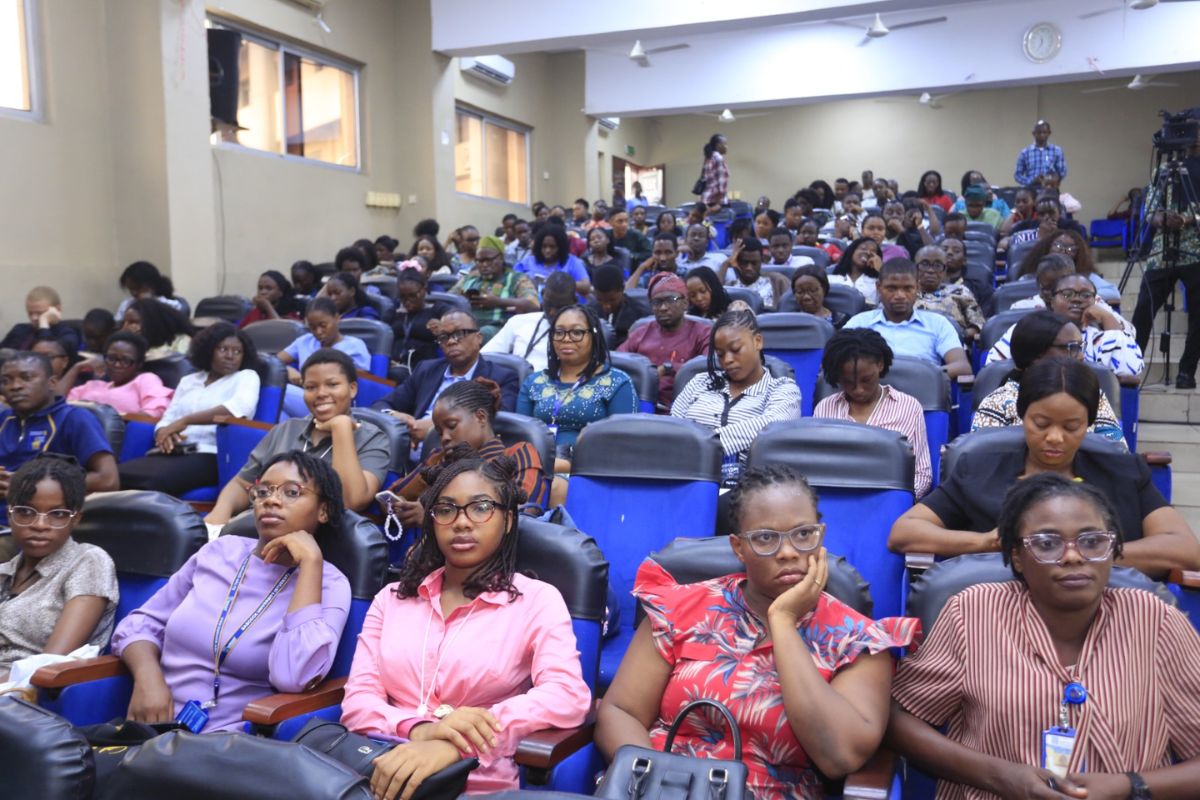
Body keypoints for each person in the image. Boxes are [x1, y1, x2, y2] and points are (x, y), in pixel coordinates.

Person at [596, 465, 918, 800]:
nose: (788, 551)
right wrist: (660, 784)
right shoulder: (681, 608)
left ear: (820, 536)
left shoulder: (856, 640)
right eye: (766, 538)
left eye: (803, 534)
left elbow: (840, 755)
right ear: (738, 548)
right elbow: (622, 711)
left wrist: (783, 621)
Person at [887, 473, 1200, 800]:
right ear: (1017, 557)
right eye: (1047, 544)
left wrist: (1129, 786)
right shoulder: (973, 612)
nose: (1073, 556)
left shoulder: (1156, 620)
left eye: (1092, 541)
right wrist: (999, 776)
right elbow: (900, 721)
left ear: (1113, 549)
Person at [341, 449, 590, 796]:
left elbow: (566, 695)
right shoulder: (392, 598)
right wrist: (421, 730)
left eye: (481, 507)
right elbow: (358, 702)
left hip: (476, 782)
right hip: (379, 771)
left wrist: (456, 744)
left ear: (508, 520)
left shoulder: (536, 600)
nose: (461, 522)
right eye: (446, 509)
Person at [889, 357, 1200, 573]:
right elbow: (905, 531)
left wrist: (1087, 553)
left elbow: (1185, 549)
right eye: (1041, 423)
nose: (1055, 438)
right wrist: (986, 542)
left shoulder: (1124, 472)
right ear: (1022, 415)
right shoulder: (980, 469)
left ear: (1089, 424)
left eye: (1071, 426)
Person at [112, 451, 350, 732]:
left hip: (228, 742)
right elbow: (140, 623)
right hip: (151, 724)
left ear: (323, 511)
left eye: (291, 492)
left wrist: (310, 563)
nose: (271, 500)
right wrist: (147, 678)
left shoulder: (330, 584)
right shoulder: (218, 552)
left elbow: (293, 677)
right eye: (264, 491)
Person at [204, 349, 390, 525]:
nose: (321, 393)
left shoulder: (373, 438)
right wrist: (220, 512)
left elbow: (351, 501)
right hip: (260, 527)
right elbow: (242, 483)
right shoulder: (286, 429)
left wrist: (341, 427)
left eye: (332, 385)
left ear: (352, 389)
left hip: (320, 539)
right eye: (311, 387)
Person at [0, 457, 118, 681]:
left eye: (58, 514)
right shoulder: (6, 571)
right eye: (26, 512)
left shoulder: (88, 561)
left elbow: (49, 663)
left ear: (75, 519)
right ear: (10, 514)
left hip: (24, 693)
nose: (40, 525)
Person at [118, 323, 263, 495]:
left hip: (211, 455)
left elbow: (238, 409)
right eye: (223, 349)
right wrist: (164, 433)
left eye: (237, 351)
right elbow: (168, 417)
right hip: (174, 452)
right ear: (208, 350)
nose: (230, 356)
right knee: (118, 475)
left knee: (153, 482)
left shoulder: (246, 377)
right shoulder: (189, 381)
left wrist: (186, 420)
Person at [382, 381, 551, 528]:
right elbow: (392, 495)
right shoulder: (440, 459)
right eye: (439, 432)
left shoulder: (517, 454)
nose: (445, 437)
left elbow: (522, 514)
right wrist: (400, 507)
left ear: (480, 417)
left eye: (452, 426)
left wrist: (434, 517)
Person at [671, 311, 801, 482]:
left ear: (757, 341)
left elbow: (770, 428)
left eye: (735, 349)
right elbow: (673, 429)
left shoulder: (783, 389)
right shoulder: (699, 382)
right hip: (689, 478)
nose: (727, 360)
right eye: (720, 354)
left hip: (751, 486)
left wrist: (701, 444)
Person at [972, 310, 1125, 445]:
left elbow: (1115, 450)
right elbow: (984, 459)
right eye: (1072, 348)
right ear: (1037, 354)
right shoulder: (998, 402)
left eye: (1081, 347)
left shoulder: (1091, 394)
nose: (1081, 356)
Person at [813, 329, 932, 497]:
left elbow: (922, 474)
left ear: (880, 364)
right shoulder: (825, 408)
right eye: (848, 382)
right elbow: (817, 469)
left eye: (866, 380)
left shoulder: (908, 406)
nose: (858, 390)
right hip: (837, 498)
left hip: (890, 499)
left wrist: (899, 502)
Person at [373, 311, 519, 445]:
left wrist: (437, 427)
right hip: (410, 449)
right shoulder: (426, 369)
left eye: (459, 334)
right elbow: (381, 404)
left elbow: (499, 424)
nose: (451, 342)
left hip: (464, 455)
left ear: (478, 338)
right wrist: (395, 416)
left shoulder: (502, 377)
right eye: (444, 337)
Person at [516, 304, 637, 459]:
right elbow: (521, 439)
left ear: (593, 336)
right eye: (559, 332)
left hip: (592, 468)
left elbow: (622, 444)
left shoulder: (617, 382)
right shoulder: (534, 382)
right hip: (537, 466)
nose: (566, 339)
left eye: (577, 332)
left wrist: (565, 465)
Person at [1132, 127, 1200, 388]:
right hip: (1163, 250)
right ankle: (1131, 368)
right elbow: (1150, 208)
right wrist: (1160, 218)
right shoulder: (1164, 170)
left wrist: (1188, 219)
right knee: (1143, 308)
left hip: (1196, 249)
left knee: (1198, 315)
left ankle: (1186, 372)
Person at [0, 352, 119, 500]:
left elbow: (108, 480)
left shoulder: (75, 418)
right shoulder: (4, 418)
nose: (15, 386)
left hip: (37, 510)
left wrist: (32, 485)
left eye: (27, 378)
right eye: (5, 381)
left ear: (52, 383)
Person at [986, 273, 1143, 377]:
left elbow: (1131, 370)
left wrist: (1107, 317)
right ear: (1051, 301)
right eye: (1067, 294)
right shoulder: (1028, 329)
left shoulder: (1100, 339)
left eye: (1086, 295)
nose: (1077, 299)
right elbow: (994, 366)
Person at [844, 259, 973, 379]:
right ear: (878, 288)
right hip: (870, 392)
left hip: (922, 392)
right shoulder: (859, 323)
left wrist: (917, 377)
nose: (900, 295)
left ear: (917, 288)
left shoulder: (938, 324)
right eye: (891, 288)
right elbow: (835, 362)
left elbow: (962, 367)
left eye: (907, 288)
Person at [617, 273, 711, 409]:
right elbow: (619, 363)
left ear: (685, 303)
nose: (663, 308)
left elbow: (709, 369)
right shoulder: (641, 332)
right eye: (657, 302)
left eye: (670, 300)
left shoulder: (703, 333)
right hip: (638, 404)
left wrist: (670, 368)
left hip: (685, 407)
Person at [277, 297, 370, 419]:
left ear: (337, 318)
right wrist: (288, 370)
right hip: (307, 397)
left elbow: (361, 381)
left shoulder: (354, 345)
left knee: (279, 391)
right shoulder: (305, 341)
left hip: (333, 401)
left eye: (323, 325)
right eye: (312, 327)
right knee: (279, 414)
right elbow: (274, 362)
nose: (318, 332)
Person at [482, 272, 576, 373]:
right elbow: (485, 357)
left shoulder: (581, 333)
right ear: (542, 294)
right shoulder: (519, 322)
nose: (552, 312)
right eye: (549, 304)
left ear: (574, 302)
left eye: (560, 307)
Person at [450, 235, 540, 340]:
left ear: (501, 257)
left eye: (489, 260)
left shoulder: (516, 278)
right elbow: (448, 298)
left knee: (481, 334)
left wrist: (498, 302)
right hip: (465, 326)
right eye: (479, 261)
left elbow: (533, 305)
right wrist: (463, 299)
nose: (484, 264)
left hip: (499, 329)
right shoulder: (470, 278)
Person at [64, 331, 173, 417]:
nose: (117, 365)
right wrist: (77, 367)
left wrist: (117, 419)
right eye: (111, 358)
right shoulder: (93, 385)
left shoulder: (145, 380)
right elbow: (57, 404)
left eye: (125, 361)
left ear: (139, 364)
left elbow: (156, 411)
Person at [912, 245, 985, 342]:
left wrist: (957, 335)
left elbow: (977, 325)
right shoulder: (905, 293)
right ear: (915, 268)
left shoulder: (960, 291)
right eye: (924, 264)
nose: (931, 270)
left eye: (937, 265)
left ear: (945, 270)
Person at [392, 269, 450, 375]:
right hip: (395, 365)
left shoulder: (437, 309)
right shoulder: (395, 312)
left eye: (412, 296)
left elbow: (457, 320)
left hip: (424, 368)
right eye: (402, 297)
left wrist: (444, 326)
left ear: (424, 290)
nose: (407, 301)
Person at [513, 222, 592, 294]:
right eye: (544, 246)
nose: (547, 250)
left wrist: (560, 283)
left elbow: (586, 287)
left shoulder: (572, 262)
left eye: (552, 247)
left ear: (561, 247)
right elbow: (512, 281)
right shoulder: (528, 261)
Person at [0, 287, 80, 354]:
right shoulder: (19, 329)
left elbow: (46, 358)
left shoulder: (67, 335)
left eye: (39, 313)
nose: (34, 318)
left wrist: (44, 325)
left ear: (57, 309)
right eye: (30, 313)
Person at [589, 264, 648, 348]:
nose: (607, 306)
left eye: (612, 300)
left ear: (622, 289)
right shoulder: (589, 312)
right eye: (600, 300)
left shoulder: (640, 314)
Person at [719, 236, 785, 310]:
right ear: (737, 261)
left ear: (762, 260)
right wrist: (726, 264)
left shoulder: (777, 281)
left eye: (754, 263)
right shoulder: (731, 286)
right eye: (744, 262)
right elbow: (715, 294)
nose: (749, 268)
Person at [122, 298, 193, 360]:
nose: (124, 328)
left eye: (133, 322)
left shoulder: (181, 341)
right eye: (124, 322)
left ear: (152, 322)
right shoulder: (130, 345)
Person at [115, 261, 187, 320]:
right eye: (131, 289)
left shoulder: (171, 305)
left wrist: (149, 303)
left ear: (152, 286)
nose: (134, 293)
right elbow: (117, 325)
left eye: (138, 288)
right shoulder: (126, 305)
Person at [238, 270, 305, 328]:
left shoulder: (290, 312)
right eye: (260, 288)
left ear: (281, 292)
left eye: (269, 288)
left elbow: (281, 330)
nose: (263, 292)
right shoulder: (254, 312)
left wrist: (267, 306)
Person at [828, 237, 882, 305]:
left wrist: (880, 270)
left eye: (873, 251)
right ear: (852, 251)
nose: (868, 252)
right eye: (863, 248)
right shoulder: (830, 279)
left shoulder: (878, 283)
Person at [1014, 118, 1068, 187]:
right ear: (1034, 133)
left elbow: (1062, 172)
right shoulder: (1025, 153)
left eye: (1044, 132)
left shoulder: (1056, 151)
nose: (1042, 135)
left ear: (1049, 133)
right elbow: (1017, 175)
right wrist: (1031, 181)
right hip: (1030, 190)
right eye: (1039, 132)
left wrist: (1051, 179)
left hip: (1050, 189)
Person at [700, 134, 729, 211]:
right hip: (716, 200)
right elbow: (721, 182)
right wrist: (719, 202)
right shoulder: (718, 158)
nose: (726, 147)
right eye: (725, 144)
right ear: (718, 145)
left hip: (706, 198)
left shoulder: (708, 157)